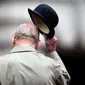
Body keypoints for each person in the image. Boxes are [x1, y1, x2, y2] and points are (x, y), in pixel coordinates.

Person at [0, 22, 70, 85]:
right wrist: (52, 51)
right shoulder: (51, 65)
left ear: (13, 40)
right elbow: (65, 80)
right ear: (37, 44)